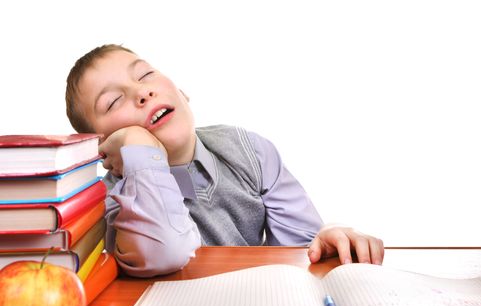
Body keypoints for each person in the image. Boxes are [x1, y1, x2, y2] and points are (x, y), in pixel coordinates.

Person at [65, 44, 384, 277]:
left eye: (146, 74)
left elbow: (302, 260)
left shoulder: (250, 151)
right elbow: (167, 251)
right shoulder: (107, 205)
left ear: (182, 92)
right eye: (114, 101)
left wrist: (323, 241)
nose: (142, 93)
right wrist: (140, 150)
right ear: (102, 147)